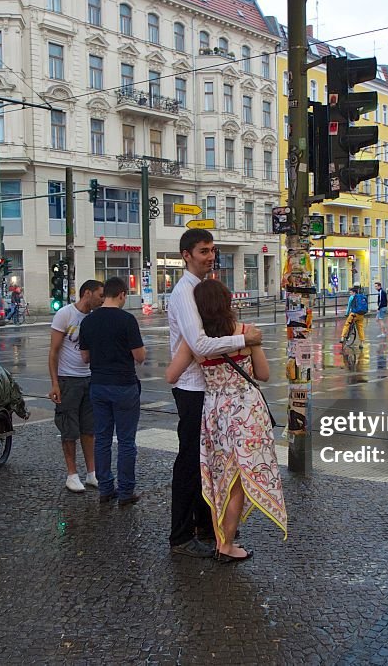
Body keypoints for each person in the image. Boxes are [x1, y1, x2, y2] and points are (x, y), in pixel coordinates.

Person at [166, 279, 286, 562]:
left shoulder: (194, 343)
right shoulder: (247, 333)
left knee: (220, 475)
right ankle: (226, 544)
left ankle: (221, 537)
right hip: (246, 411)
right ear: (227, 303)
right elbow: (264, 374)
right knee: (241, 478)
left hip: (215, 410)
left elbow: (171, 376)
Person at [168, 229, 263, 558]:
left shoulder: (200, 289)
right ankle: (180, 535)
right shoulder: (184, 292)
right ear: (186, 255)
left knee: (206, 464)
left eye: (212, 250)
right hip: (193, 389)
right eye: (203, 251)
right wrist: (245, 340)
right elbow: (200, 345)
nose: (210, 256)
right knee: (190, 464)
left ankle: (206, 527)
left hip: (209, 391)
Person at [79, 277, 146, 507]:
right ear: (122, 295)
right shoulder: (127, 320)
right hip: (124, 385)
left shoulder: (88, 322)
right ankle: (126, 492)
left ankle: (105, 488)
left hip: (98, 385)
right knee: (126, 441)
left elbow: (85, 357)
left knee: (102, 439)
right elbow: (139, 356)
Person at [49, 279, 105, 493]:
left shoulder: (95, 317)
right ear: (87, 293)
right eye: (100, 295)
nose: (102, 299)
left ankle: (92, 473)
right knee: (69, 430)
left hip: (90, 378)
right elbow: (53, 352)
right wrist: (55, 383)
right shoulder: (65, 314)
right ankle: (72, 474)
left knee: (89, 429)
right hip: (68, 380)